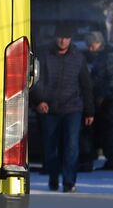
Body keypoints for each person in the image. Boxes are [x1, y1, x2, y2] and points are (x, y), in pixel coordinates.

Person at [35, 30, 95, 192]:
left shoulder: (78, 58)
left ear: (71, 39)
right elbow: (35, 80)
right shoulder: (44, 55)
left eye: (66, 38)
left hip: (72, 108)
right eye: (60, 37)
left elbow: (86, 84)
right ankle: (53, 177)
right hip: (49, 109)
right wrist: (38, 101)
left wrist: (89, 111)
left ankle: (69, 182)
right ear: (55, 38)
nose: (63, 41)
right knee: (51, 147)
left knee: (71, 146)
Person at [86, 31, 113, 171]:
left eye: (91, 45)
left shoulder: (111, 55)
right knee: (108, 130)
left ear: (99, 42)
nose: (90, 49)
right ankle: (112, 158)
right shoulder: (102, 55)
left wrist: (103, 95)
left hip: (112, 99)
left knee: (112, 130)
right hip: (107, 99)